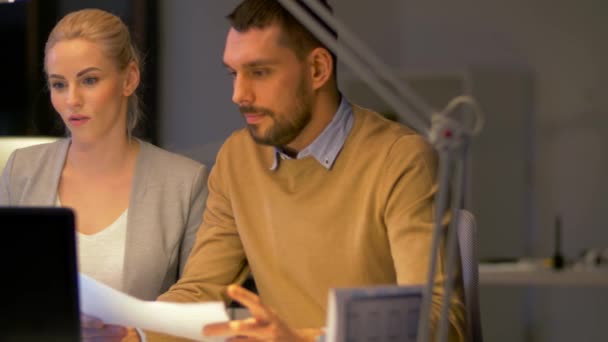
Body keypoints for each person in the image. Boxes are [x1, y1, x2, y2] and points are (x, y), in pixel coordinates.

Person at [87, 0, 466, 341]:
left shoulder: (401, 159)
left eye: (259, 72)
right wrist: (134, 334)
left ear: (317, 69)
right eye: (233, 73)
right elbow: (202, 289)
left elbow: (441, 321)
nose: (239, 94)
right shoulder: (239, 158)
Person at [0, 6, 207, 317]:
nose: (72, 100)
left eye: (89, 80)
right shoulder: (22, 169)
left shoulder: (184, 183)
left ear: (129, 79)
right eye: (58, 84)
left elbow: (198, 305)